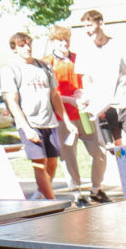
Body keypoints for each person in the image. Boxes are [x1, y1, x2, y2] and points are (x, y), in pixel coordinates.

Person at [43, 25, 110, 205]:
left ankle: (96, 189)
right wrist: (69, 100)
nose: (64, 43)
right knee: (68, 156)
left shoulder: (78, 59)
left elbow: (88, 82)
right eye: (59, 40)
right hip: (62, 117)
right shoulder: (47, 62)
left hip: (84, 114)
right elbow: (51, 94)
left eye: (66, 39)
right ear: (53, 41)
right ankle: (76, 193)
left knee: (100, 151)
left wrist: (84, 95)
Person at [0, 32, 71, 200]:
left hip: (49, 122)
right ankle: (51, 202)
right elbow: (12, 101)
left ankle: (41, 194)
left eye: (28, 44)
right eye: (22, 45)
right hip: (30, 123)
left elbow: (55, 95)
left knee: (52, 163)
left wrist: (66, 120)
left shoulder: (44, 66)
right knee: (40, 163)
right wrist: (26, 127)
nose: (27, 48)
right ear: (14, 49)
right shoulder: (11, 70)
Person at [76, 10, 126, 146]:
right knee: (118, 153)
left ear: (100, 23)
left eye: (89, 26)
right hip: (105, 109)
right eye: (84, 27)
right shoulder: (84, 52)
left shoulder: (120, 46)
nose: (87, 31)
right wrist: (88, 101)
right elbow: (87, 81)